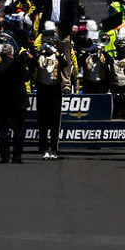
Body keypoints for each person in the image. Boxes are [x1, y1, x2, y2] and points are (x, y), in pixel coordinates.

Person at [30, 26, 70, 161]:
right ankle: (44, 149)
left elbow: (65, 64)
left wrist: (56, 52)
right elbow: (31, 64)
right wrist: (40, 52)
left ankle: (54, 149)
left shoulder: (58, 55)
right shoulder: (39, 56)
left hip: (54, 90)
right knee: (42, 121)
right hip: (42, 90)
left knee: (55, 121)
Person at [0, 43, 28, 163]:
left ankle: (4, 156)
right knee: (19, 130)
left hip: (2, 103)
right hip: (18, 102)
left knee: (3, 131)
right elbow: (27, 77)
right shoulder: (19, 66)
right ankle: (17, 156)